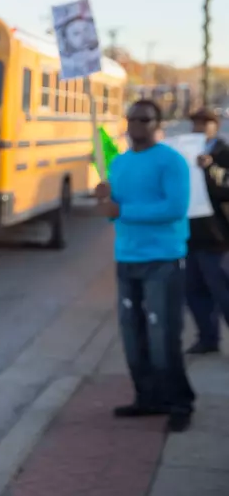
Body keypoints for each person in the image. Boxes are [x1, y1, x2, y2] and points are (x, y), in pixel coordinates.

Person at [95, 99, 194, 432]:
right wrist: (107, 201)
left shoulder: (171, 161)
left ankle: (180, 402)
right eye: (132, 118)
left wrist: (121, 211)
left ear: (157, 123)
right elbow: (115, 213)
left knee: (163, 335)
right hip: (127, 259)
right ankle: (147, 397)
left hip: (163, 260)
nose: (136, 124)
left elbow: (175, 209)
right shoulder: (119, 163)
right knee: (132, 334)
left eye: (145, 119)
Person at [186, 107, 229, 354]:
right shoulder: (188, 154)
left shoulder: (224, 153)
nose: (200, 127)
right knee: (194, 291)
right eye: (196, 123)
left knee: (222, 291)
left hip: (218, 235)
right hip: (192, 234)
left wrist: (210, 169)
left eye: (206, 123)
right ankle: (207, 338)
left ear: (216, 126)